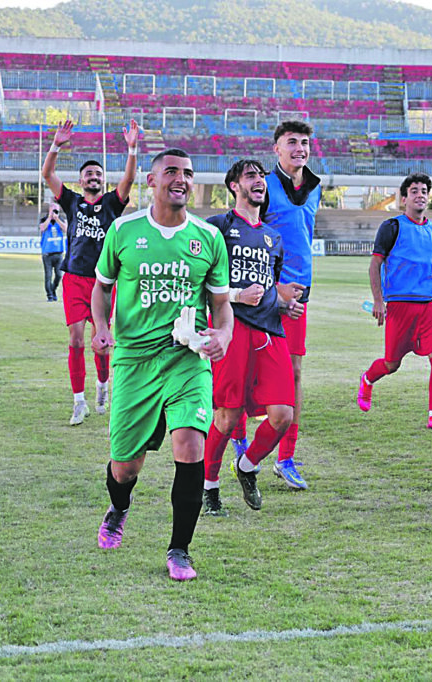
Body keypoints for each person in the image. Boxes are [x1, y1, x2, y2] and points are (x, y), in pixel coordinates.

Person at [91, 148, 233, 581]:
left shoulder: (208, 238)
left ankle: (180, 550)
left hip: (186, 361)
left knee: (190, 446)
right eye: (171, 171)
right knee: (125, 467)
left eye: (188, 173)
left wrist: (223, 335)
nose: (182, 178)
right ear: (150, 182)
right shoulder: (123, 230)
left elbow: (222, 307)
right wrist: (100, 326)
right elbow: (101, 289)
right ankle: (119, 506)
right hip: (134, 362)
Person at [201, 159, 304, 517]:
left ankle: (246, 467)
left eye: (261, 176)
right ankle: (209, 487)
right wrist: (235, 296)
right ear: (234, 186)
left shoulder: (273, 237)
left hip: (270, 330)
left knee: (283, 415)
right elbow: (201, 283)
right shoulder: (217, 227)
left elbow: (268, 284)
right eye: (251, 176)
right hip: (233, 329)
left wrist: (283, 303)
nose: (259, 181)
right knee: (227, 420)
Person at [42, 118, 140, 425]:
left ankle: (101, 386)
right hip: (73, 278)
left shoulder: (112, 203)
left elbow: (128, 180)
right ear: (81, 180)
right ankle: (78, 402)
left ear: (102, 179)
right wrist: (56, 145)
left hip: (105, 282)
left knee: (103, 339)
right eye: (88, 174)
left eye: (98, 173)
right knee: (76, 340)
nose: (93, 177)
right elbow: (47, 174)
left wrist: (132, 149)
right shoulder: (70, 201)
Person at [357, 172, 432, 431]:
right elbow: (375, 265)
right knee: (391, 364)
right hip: (400, 306)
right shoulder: (392, 227)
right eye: (414, 191)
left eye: (424, 191)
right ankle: (367, 380)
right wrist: (378, 300)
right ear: (404, 198)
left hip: (430, 304)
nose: (420, 195)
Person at [262, 119, 321, 490]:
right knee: (249, 373)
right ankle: (238, 444)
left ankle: (286, 457)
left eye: (304, 142)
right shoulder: (262, 185)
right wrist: (273, 286)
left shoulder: (315, 187)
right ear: (277, 149)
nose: (299, 148)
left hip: (300, 294)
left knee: (295, 374)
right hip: (263, 293)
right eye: (291, 142)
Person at [38, 202, 66, 302]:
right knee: (48, 276)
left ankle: (53, 289)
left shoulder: (61, 220)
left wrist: (57, 219)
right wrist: (49, 218)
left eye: (56, 210)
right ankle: (49, 295)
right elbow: (42, 228)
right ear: (49, 210)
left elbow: (66, 229)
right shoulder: (44, 219)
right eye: (53, 210)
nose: (54, 212)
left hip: (58, 253)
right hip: (47, 254)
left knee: (59, 275)